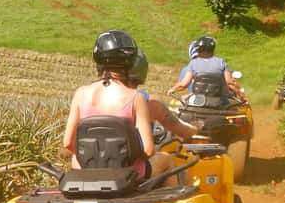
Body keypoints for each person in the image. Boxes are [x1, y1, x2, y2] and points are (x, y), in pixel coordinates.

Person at [62, 30, 175, 183]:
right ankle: (167, 202)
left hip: (86, 171)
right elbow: (148, 150)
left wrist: (92, 160)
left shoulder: (80, 94)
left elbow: (68, 143)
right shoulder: (136, 98)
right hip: (127, 174)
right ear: (131, 61)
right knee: (167, 160)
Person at [126, 50, 202, 141]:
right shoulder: (151, 102)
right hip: (137, 154)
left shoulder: (104, 97)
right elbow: (181, 130)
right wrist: (195, 128)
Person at [169, 35, 246, 103]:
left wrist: (172, 90)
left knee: (182, 101)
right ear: (213, 49)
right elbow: (229, 83)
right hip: (218, 102)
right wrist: (242, 96)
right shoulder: (221, 62)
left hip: (198, 101)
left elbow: (183, 85)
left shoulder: (193, 64)